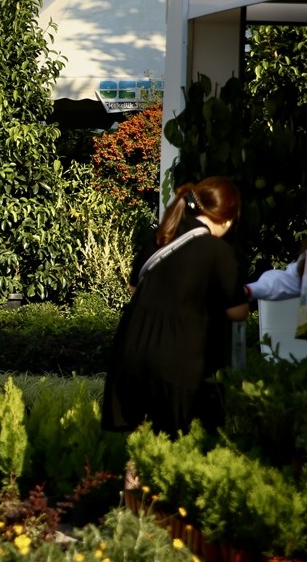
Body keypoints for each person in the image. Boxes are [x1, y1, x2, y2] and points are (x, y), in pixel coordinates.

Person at [102, 176, 248, 437]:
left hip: (133, 350)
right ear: (226, 218)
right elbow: (237, 312)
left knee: (140, 442)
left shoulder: (160, 237)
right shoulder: (218, 251)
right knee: (180, 441)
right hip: (180, 359)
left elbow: (133, 288)